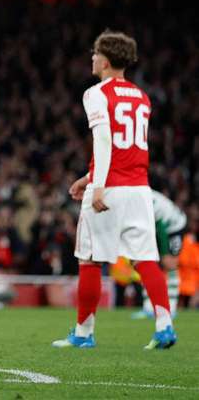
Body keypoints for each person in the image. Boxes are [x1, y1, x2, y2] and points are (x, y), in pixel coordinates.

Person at [53, 30, 176, 350]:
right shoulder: (142, 96)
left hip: (109, 188)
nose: (92, 58)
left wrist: (98, 185)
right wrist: (88, 176)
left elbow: (105, 140)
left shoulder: (96, 93)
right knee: (145, 259)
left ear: (105, 61)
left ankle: (84, 333)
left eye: (95, 54)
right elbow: (127, 149)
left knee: (90, 260)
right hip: (139, 190)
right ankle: (164, 326)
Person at [130, 189, 187, 318]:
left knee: (170, 264)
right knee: (146, 262)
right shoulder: (135, 197)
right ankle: (148, 307)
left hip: (174, 227)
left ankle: (171, 307)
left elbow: (160, 226)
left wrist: (164, 253)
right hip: (155, 227)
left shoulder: (148, 201)